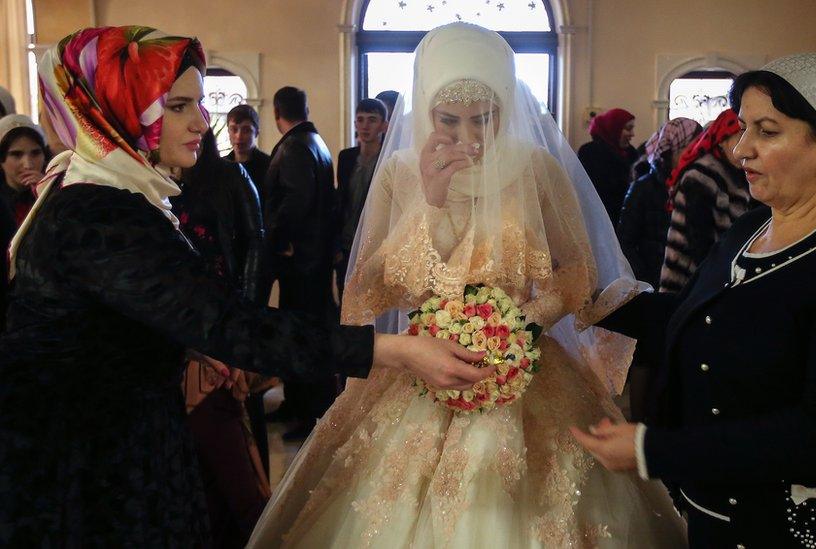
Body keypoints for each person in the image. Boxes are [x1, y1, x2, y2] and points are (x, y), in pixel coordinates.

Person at [0, 26, 491, 547]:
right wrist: (398, 350)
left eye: (199, 102)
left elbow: (126, 308)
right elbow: (231, 324)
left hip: (105, 428)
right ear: (123, 111)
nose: (201, 120)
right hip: (85, 454)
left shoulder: (103, 189)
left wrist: (186, 344)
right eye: (178, 105)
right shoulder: (99, 211)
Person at [247, 23, 687, 549]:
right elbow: (373, 286)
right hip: (420, 367)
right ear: (424, 109)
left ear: (506, 104)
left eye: (484, 119)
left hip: (524, 369)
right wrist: (430, 202)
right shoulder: (400, 174)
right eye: (447, 119)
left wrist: (525, 323)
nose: (467, 136)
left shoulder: (538, 168)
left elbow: (577, 273)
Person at [572, 53, 816, 548]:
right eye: (743, 128)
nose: (739, 150)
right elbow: (703, 320)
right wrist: (591, 300)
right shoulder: (752, 228)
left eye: (767, 131)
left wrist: (655, 448)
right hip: (730, 514)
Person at [171, 128, 271, 547]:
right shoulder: (154, 184)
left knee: (236, 429)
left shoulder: (230, 176)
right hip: (180, 328)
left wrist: (241, 323)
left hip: (226, 319)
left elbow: (254, 245)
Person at [262, 86, 341, 440]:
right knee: (304, 330)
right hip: (314, 259)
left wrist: (278, 239)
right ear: (305, 109)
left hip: (302, 261)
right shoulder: (315, 142)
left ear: (277, 113)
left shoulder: (295, 146)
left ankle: (309, 413)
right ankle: (298, 405)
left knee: (302, 334)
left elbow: (296, 199)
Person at [658, 109, 749, 294]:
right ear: (722, 139)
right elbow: (700, 243)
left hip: (718, 279)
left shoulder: (738, 173)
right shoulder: (701, 176)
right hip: (690, 283)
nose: (744, 148)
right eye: (739, 138)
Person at [618, 117, 702, 286]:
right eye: (692, 146)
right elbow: (625, 242)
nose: (697, 153)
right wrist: (645, 280)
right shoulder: (644, 187)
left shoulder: (697, 184)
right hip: (652, 281)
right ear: (674, 147)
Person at [336, 97, 388, 299]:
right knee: (346, 301)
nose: (365, 126)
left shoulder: (390, 159)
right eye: (360, 119)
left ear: (384, 125)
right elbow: (340, 200)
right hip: (346, 245)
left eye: (372, 119)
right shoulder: (346, 157)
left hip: (375, 247)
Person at [0, 115, 49, 329]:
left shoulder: (61, 193)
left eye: (35, 153)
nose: (27, 164)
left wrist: (47, 195)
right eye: (16, 155)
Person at [578, 108, 639, 226]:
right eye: (628, 128)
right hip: (597, 222)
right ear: (614, 128)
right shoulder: (589, 152)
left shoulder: (632, 153)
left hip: (625, 223)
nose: (632, 134)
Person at [224, 103, 272, 203]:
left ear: (257, 132)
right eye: (233, 129)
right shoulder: (222, 166)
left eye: (246, 130)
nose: (239, 136)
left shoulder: (270, 166)